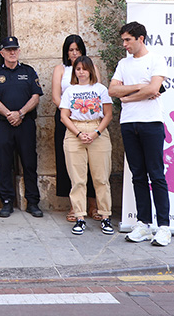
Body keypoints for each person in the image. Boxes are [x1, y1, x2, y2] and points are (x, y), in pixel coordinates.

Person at [108, 21, 171, 247]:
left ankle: (163, 227)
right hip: (128, 123)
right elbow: (112, 90)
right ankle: (143, 223)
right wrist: (139, 88)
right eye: (123, 40)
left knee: (156, 174)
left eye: (128, 40)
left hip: (151, 122)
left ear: (140, 38)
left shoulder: (156, 60)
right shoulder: (123, 64)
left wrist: (127, 97)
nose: (124, 44)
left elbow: (154, 88)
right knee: (137, 175)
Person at [0, 36, 44, 218]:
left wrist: (20, 113)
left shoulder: (28, 71)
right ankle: (6, 202)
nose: (12, 52)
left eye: (15, 49)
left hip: (25, 124)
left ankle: (33, 202)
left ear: (18, 51)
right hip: (4, 125)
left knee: (29, 163)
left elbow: (35, 97)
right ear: (2, 53)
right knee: (4, 164)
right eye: (8, 50)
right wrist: (9, 114)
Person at [59, 56, 114, 236]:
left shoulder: (100, 89)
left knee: (101, 178)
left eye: (84, 69)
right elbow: (64, 116)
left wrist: (96, 133)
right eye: (78, 69)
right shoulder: (70, 91)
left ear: (90, 70)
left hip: (97, 129)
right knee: (78, 179)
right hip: (75, 131)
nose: (81, 72)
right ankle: (80, 217)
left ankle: (105, 216)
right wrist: (78, 133)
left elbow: (108, 114)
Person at [51, 35, 98, 221]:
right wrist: (70, 113)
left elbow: (98, 92)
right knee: (69, 162)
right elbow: (56, 97)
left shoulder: (91, 67)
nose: (74, 53)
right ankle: (75, 205)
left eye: (77, 49)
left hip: (89, 120)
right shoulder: (60, 69)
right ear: (66, 52)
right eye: (71, 50)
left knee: (92, 162)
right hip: (66, 119)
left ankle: (93, 204)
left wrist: (84, 115)